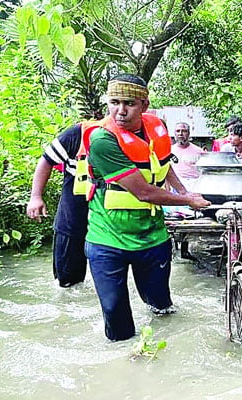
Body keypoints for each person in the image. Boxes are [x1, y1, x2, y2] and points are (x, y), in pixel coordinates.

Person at [82, 74, 210, 341]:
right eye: (114, 102)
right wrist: (188, 201)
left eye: (128, 103)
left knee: (162, 308)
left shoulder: (157, 127)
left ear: (144, 104)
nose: (120, 110)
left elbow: (163, 165)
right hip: (108, 238)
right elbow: (144, 192)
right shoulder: (104, 140)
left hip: (152, 236)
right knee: (117, 319)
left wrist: (185, 191)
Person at [26, 124, 88, 288]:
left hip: (109, 223)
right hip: (72, 218)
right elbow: (46, 160)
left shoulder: (133, 135)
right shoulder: (76, 135)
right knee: (67, 283)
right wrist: (36, 197)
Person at [170, 121, 206, 189]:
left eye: (184, 131)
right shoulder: (169, 151)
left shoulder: (199, 151)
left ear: (189, 133)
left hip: (193, 186)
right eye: (178, 131)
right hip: (174, 186)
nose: (180, 134)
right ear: (174, 133)